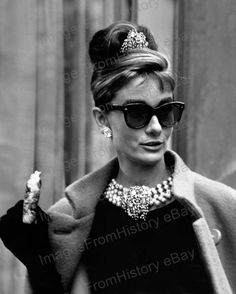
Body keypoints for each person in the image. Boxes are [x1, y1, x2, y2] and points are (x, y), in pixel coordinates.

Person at [0, 21, 236, 294]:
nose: (157, 127)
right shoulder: (69, 221)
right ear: (102, 119)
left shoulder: (224, 208)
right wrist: (43, 268)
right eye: (137, 112)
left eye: (166, 110)